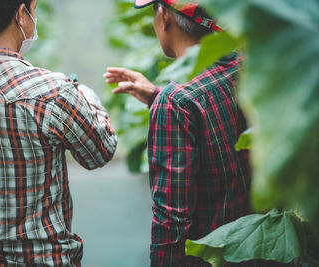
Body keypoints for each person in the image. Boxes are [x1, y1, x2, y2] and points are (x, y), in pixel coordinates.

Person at [0, 0, 117, 266]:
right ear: (21, 15)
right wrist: (90, 99)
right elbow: (99, 153)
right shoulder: (53, 91)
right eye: (33, 9)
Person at [105, 1, 290, 266]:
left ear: (164, 16)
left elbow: (171, 218)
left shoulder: (176, 101)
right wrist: (157, 96)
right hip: (265, 252)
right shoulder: (248, 64)